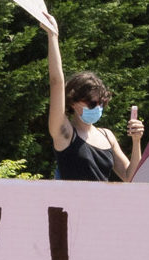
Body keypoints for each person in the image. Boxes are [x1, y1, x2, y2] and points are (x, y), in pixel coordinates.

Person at [39, 16, 143, 180]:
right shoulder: (65, 133)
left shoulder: (107, 136)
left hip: (103, 205)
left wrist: (136, 141)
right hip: (70, 205)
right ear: (73, 102)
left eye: (102, 102)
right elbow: (56, 83)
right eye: (92, 103)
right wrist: (53, 36)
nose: (98, 107)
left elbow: (130, 177)